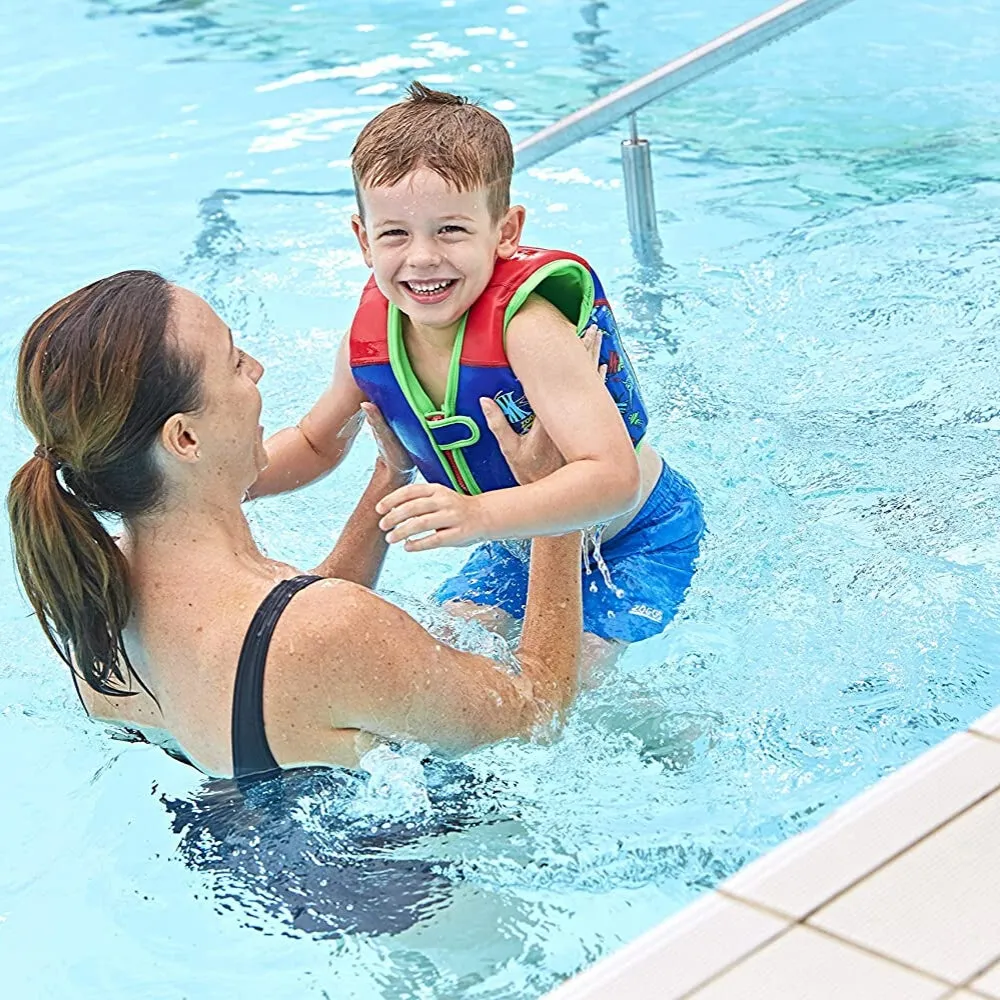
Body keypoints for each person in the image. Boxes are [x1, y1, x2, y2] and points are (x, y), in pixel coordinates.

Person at [6, 270, 583, 778]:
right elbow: (537, 716)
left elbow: (285, 643)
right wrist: (555, 502)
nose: (256, 370)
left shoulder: (93, 595)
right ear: (185, 438)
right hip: (399, 888)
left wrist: (390, 475)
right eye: (234, 363)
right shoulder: (325, 630)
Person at [251, 83, 704, 658]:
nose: (422, 257)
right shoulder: (371, 341)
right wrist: (221, 485)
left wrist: (477, 513)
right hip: (510, 540)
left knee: (577, 684)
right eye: (395, 233)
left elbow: (612, 476)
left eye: (451, 230)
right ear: (364, 240)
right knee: (445, 670)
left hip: (636, 535)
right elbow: (316, 444)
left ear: (506, 232)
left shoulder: (528, 330)